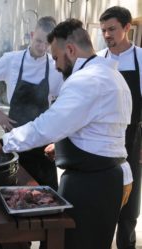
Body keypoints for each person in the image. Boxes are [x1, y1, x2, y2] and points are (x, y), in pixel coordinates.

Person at [0, 18, 133, 249]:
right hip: (111, 178)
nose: (55, 66)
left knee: (74, 244)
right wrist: (63, 144)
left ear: (71, 50)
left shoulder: (85, 80)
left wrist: (3, 142)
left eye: (55, 58)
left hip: (91, 183)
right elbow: (98, 128)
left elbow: (45, 126)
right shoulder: (113, 76)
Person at [0, 16, 63, 191]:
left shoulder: (56, 67)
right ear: (32, 35)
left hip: (42, 143)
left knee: (45, 194)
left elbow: (63, 105)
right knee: (12, 191)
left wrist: (59, 140)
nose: (42, 47)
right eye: (38, 41)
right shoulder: (11, 60)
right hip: (13, 139)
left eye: (47, 43)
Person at [98, 6, 142, 249]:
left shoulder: (141, 59)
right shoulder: (97, 59)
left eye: (112, 29)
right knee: (103, 203)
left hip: (133, 138)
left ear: (127, 28)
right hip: (102, 140)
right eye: (104, 30)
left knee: (130, 205)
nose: (107, 34)